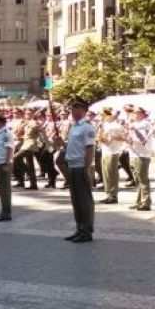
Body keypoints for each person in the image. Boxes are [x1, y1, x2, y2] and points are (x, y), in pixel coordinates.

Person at [64, 98, 96, 243]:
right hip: (72, 165)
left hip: (80, 166)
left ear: (84, 110)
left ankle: (87, 230)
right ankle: (80, 228)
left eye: (78, 108)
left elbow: (90, 149)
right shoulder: (74, 126)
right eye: (73, 108)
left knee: (84, 200)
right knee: (76, 200)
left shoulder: (87, 127)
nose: (74, 111)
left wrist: (87, 169)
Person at [126, 106, 153, 211]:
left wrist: (134, 130)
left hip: (142, 154)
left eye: (135, 113)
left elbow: (143, 140)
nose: (133, 114)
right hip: (134, 153)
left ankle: (146, 202)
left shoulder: (145, 124)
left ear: (142, 114)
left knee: (142, 179)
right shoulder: (135, 124)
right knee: (137, 179)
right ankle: (139, 201)